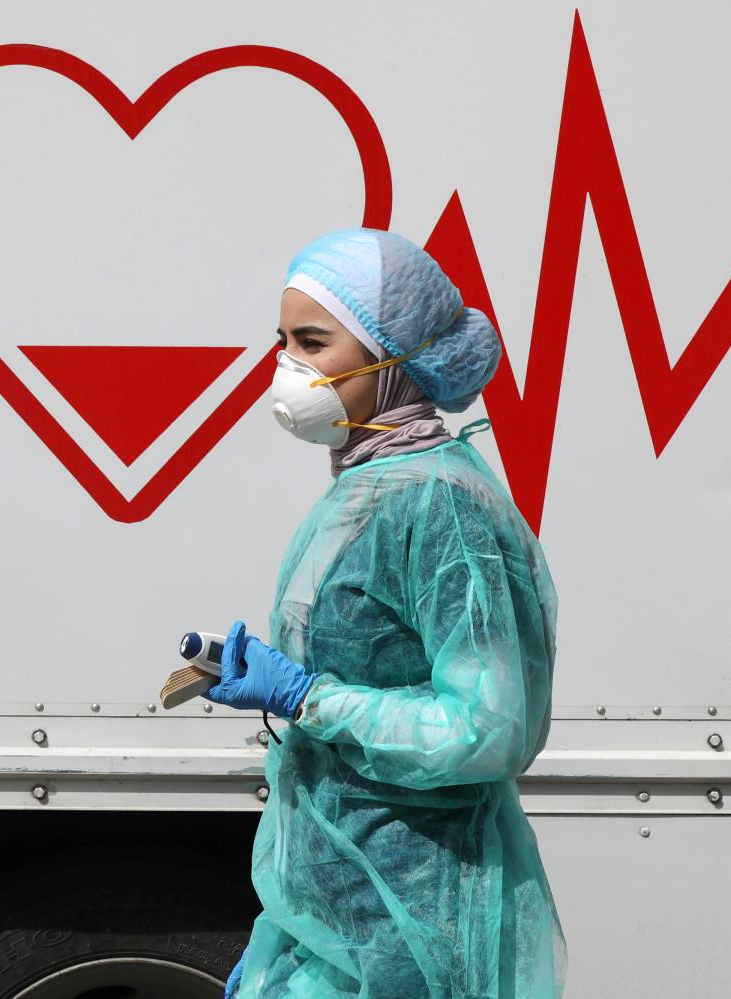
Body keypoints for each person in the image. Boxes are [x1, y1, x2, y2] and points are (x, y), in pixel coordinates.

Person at [204, 228, 567, 998]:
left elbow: (489, 726)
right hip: (342, 923)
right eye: (282, 341)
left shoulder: (441, 505)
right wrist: (283, 936)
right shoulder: (366, 486)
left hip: (416, 926)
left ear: (394, 355)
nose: (287, 367)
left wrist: (309, 697)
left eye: (312, 341)